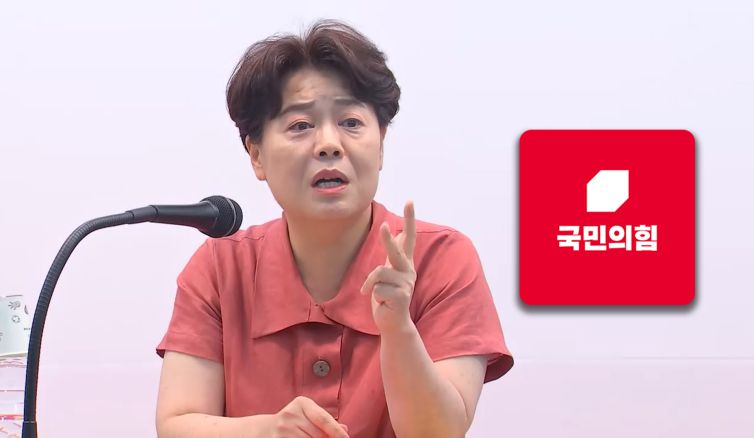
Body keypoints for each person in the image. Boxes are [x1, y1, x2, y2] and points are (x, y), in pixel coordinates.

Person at [154, 19, 513, 438]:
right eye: (300, 126)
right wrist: (270, 432)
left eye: (351, 122)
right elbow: (177, 424)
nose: (329, 143)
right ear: (256, 156)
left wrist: (398, 329)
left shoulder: (442, 259)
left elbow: (439, 433)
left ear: (381, 144)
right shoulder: (220, 269)